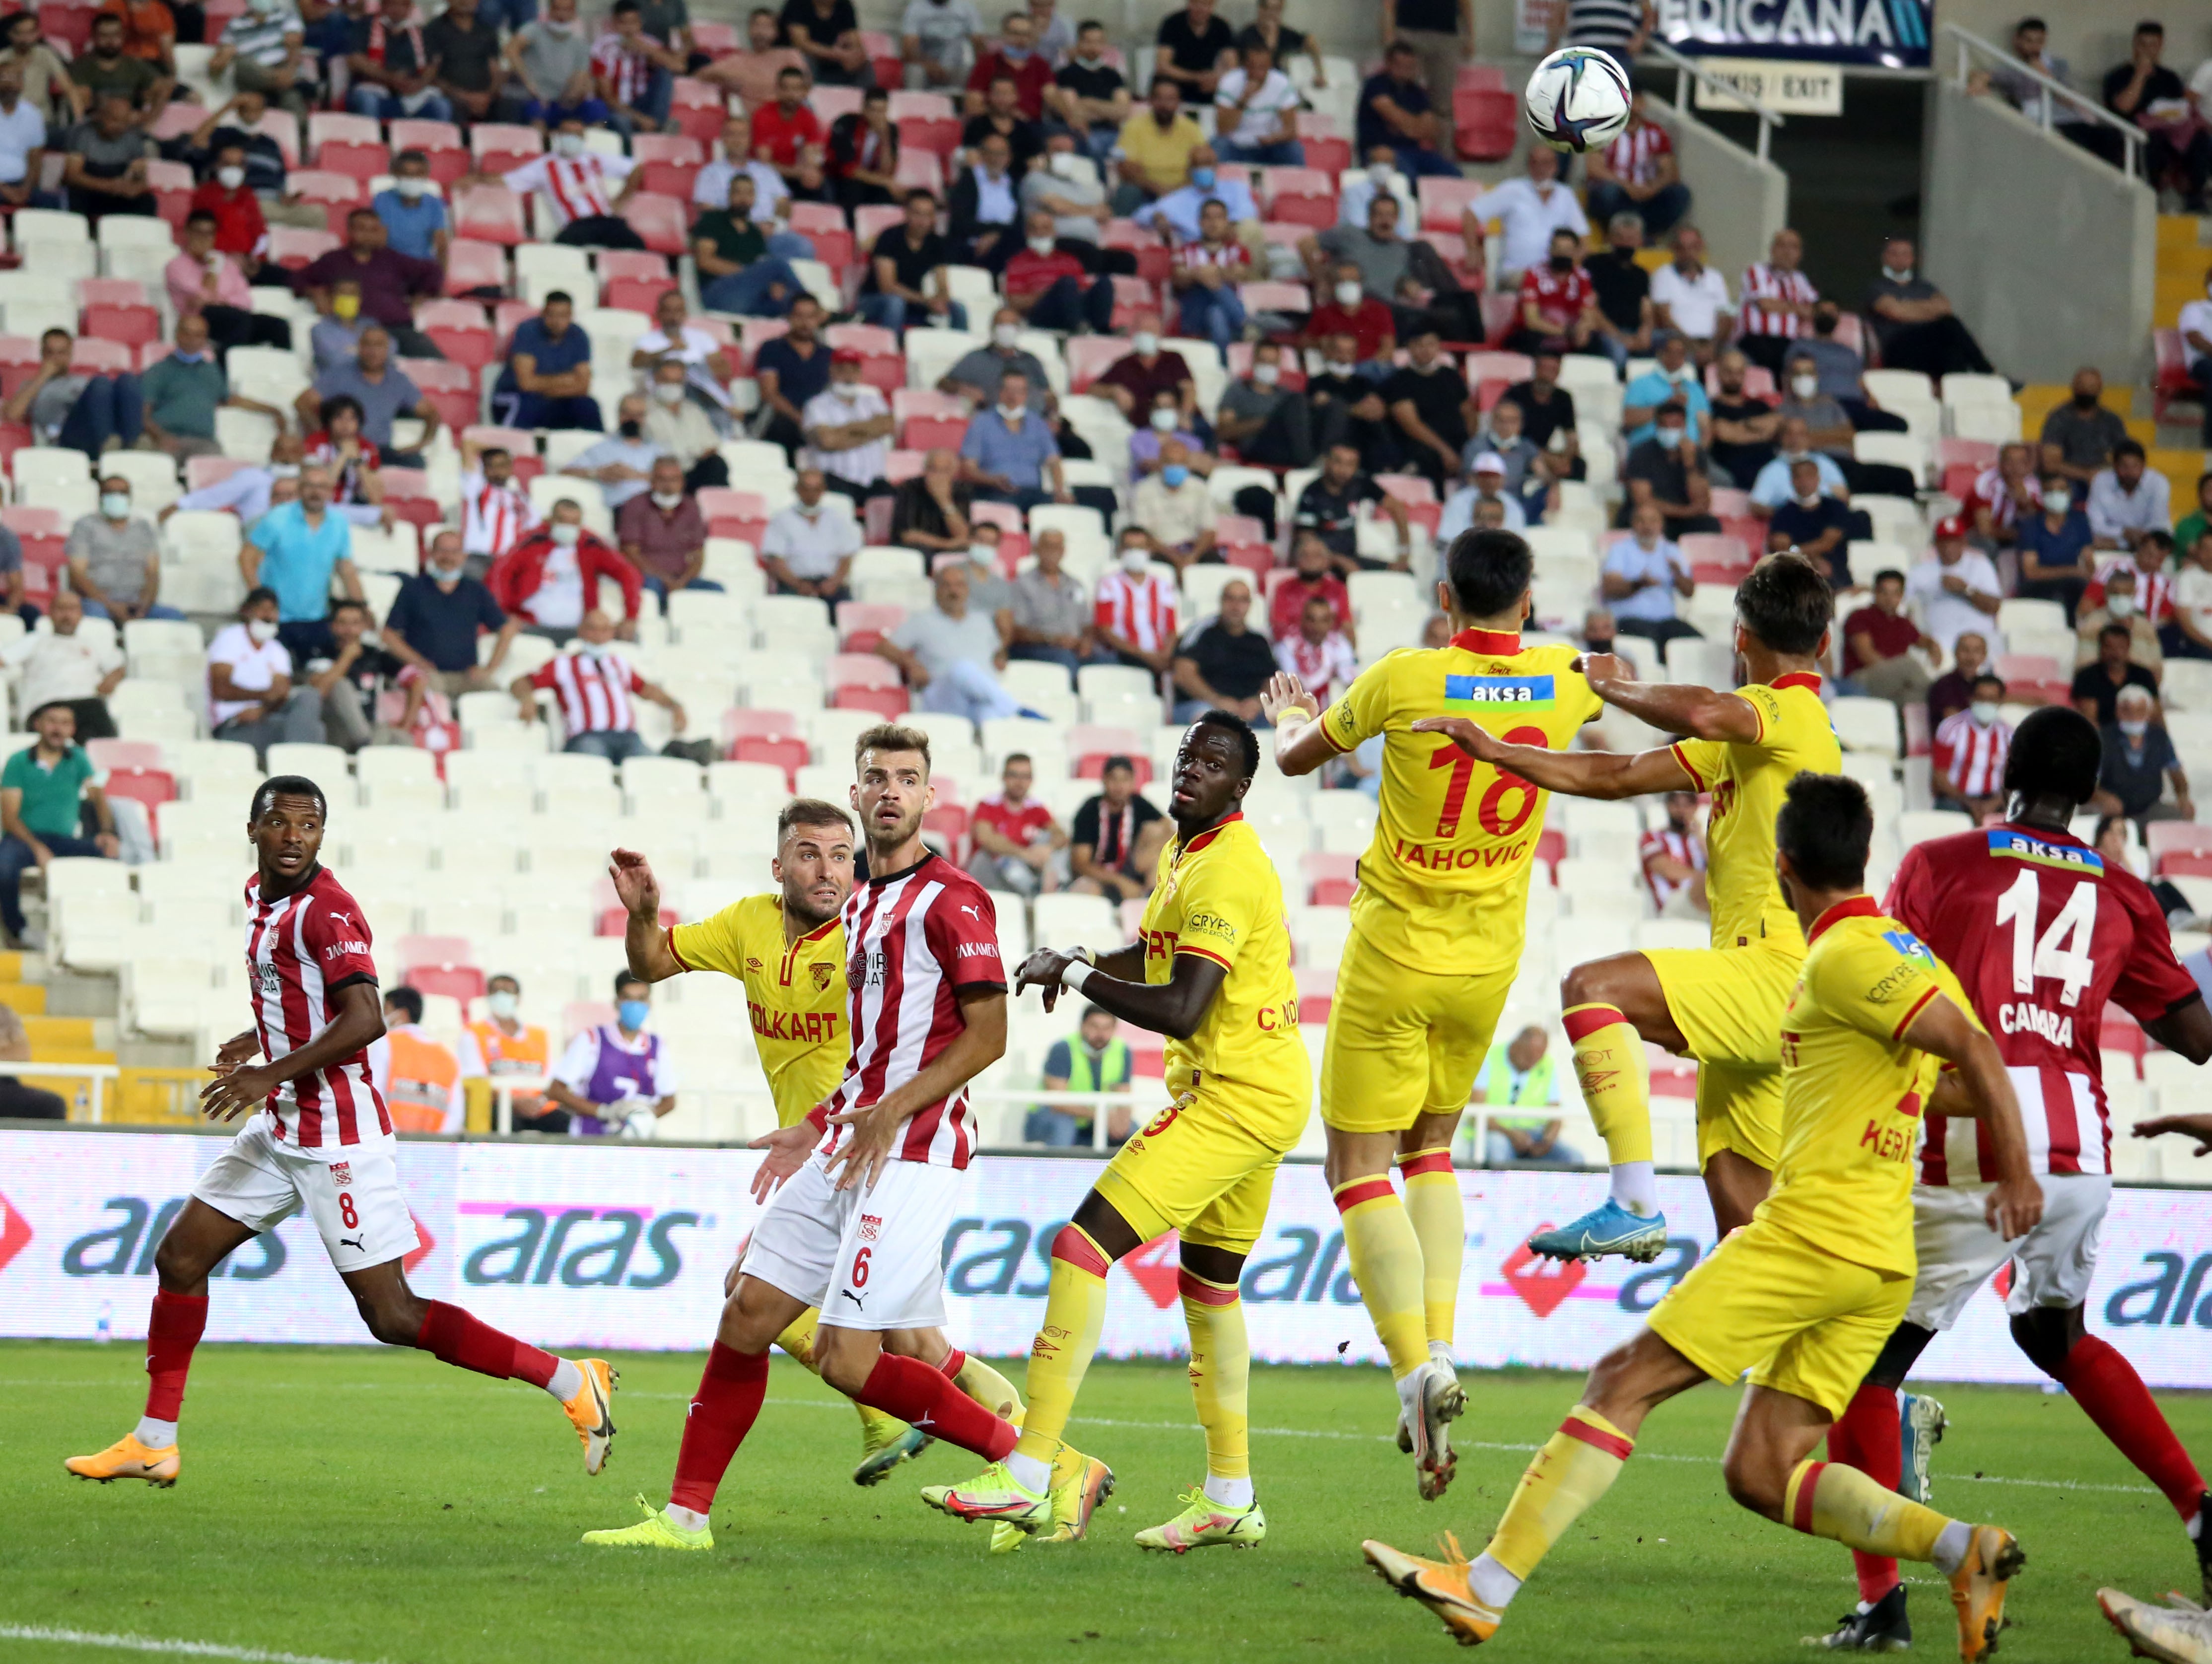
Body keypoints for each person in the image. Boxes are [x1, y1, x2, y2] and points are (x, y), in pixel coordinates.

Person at [1363, 769, 2038, 1662]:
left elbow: (1975, 1052)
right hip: (1878, 1256)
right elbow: (1946, 1075)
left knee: (1622, 1381)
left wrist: (2017, 1172)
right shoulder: (1909, 953)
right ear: (1862, 855)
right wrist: (1895, 1101)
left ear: (1782, 865)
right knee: (1761, 1470)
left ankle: (1483, 1587)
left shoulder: (1843, 955)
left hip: (1812, 1234)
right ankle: (1964, 1550)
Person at [582, 725, 1071, 1553]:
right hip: (844, 1141)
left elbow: (985, 1036)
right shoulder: (847, 911)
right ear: (855, 794)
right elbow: (863, 1053)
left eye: (906, 778)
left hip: (910, 1146)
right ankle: (686, 1519)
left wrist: (881, 1110)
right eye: (874, 776)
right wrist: (812, 1127)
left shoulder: (938, 902)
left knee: (865, 1352)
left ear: (927, 795)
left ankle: (1039, 1468)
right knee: (754, 1310)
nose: (888, 791)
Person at [64, 775, 621, 1492]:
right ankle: (153, 1442)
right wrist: (258, 1038)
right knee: (179, 1260)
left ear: (323, 835)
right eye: (280, 822)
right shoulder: (258, 899)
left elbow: (363, 1018)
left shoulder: (329, 913)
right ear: (254, 829)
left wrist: (270, 1073)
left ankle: (571, 1380)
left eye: (310, 825)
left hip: (338, 1138)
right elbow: (299, 997)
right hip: (282, 1127)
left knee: (391, 1314)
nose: (295, 837)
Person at [1804, 706, 2212, 1650]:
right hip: (2083, 1143)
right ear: (2091, 792)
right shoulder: (2122, 888)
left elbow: (1887, 995)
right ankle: (2201, 1510)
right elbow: (2194, 1038)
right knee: (2052, 1332)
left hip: (1979, 1133)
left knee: (1858, 1358)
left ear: (2005, 771)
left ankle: (1881, 1602)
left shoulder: (1940, 863)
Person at [1260, 529, 1603, 1494]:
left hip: (1394, 951)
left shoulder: (1403, 676)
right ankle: (1443, 1343)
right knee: (1431, 1150)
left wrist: (1290, 710)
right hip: (1487, 959)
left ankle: (1414, 1364)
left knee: (1355, 1164)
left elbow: (1294, 760)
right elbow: (1614, 699)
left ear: (1445, 597)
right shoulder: (1564, 676)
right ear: (1525, 600)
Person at [929, 710, 1304, 1550]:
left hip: (1233, 1095)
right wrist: (1084, 956)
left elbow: (1181, 1007)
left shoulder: (1230, 869)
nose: (1191, 771)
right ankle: (1231, 1496)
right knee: (1207, 1290)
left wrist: (1075, 974)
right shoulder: (1186, 852)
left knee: (1079, 1248)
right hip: (1264, 1089)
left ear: (1241, 787)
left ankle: (1028, 1475)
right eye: (1186, 756)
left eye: (1212, 763)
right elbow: (1160, 959)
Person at [1420, 554, 1843, 1270]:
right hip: (1758, 984)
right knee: (1753, 1246)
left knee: (1593, 990)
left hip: (1775, 972)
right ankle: (1872, 1387)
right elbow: (1616, 775)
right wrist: (1496, 752)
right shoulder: (1748, 742)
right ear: (1825, 641)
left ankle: (1636, 1204)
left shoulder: (1789, 712)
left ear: (1739, 637)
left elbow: (1708, 709)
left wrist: (1610, 684)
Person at [618, 797, 997, 1481]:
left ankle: (1000, 1442)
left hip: (872, 1142)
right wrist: (644, 915)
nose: (828, 872)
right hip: (819, 1149)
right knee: (898, 1333)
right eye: (809, 854)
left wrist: (824, 1126)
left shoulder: (871, 933)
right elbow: (651, 963)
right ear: (780, 865)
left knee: (773, 1299)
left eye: (841, 857)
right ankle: (1007, 1432)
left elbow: (908, 1049)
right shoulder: (748, 925)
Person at [0, 700, 117, 947]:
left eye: (65, 723)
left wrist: (107, 833)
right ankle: (17, 931)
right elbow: (9, 817)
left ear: (72, 729)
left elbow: (98, 796)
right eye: (52, 722)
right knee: (4, 867)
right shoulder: (18, 762)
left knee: (107, 855)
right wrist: (37, 848)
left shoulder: (79, 759)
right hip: (23, 838)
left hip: (63, 841)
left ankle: (93, 931)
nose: (58, 729)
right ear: (38, 725)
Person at [513, 609, 684, 763]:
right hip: (588, 737)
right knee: (593, 769)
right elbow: (520, 683)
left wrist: (675, 706)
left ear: (612, 633)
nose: (598, 635)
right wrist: (527, 699)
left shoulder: (619, 663)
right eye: (592, 629)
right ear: (581, 631)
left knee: (653, 769)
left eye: (605, 630)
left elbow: (646, 690)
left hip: (629, 738)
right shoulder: (563, 664)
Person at [876, 562, 1034, 723]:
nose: (954, 591)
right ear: (937, 590)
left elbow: (997, 652)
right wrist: (910, 663)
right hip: (942, 698)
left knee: (989, 715)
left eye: (959, 585)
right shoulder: (921, 620)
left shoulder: (983, 621)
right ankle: (1019, 711)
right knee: (962, 669)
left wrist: (1001, 656)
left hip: (978, 700)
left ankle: (1013, 719)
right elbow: (883, 648)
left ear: (967, 590)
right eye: (947, 586)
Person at [240, 465, 362, 664]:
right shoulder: (278, 517)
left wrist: (362, 607)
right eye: (310, 486)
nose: (316, 492)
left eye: (322, 487)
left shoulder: (339, 523)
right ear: (300, 489)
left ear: (331, 491)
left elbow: (345, 568)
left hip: (318, 619)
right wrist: (260, 599)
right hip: (279, 618)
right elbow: (247, 557)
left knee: (319, 674)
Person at [382, 531, 516, 696]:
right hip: (427, 674)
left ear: (464, 556)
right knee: (429, 695)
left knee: (496, 696)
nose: (448, 557)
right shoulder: (413, 589)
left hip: (466, 676)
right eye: (442, 551)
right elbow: (389, 635)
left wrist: (489, 668)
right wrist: (417, 661)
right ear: (431, 553)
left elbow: (507, 629)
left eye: (455, 552)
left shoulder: (476, 591)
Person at [296, 211, 444, 361]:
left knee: (438, 365)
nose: (368, 235)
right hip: (352, 331)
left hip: (397, 329)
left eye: (373, 230)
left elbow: (433, 271)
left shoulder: (392, 259)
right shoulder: (333, 260)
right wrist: (316, 294)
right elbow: (297, 279)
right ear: (350, 231)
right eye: (362, 229)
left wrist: (419, 298)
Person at [478, 117, 644, 249]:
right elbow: (507, 180)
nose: (573, 140)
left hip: (607, 221)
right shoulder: (544, 166)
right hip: (577, 225)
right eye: (568, 135)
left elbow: (636, 169)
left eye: (577, 135)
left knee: (637, 248)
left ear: (584, 138)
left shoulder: (595, 159)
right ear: (557, 136)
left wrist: (621, 199)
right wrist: (476, 178)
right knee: (561, 252)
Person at [543, 974, 676, 1138]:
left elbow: (669, 1101)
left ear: (649, 1003)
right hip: (591, 1138)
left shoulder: (657, 1046)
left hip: (638, 1144)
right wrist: (604, 1112)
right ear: (617, 1002)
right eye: (628, 998)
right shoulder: (592, 1039)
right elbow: (556, 1091)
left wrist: (641, 1117)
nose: (635, 1006)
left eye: (641, 999)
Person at [488, 503, 643, 641]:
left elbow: (629, 573)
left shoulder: (590, 544)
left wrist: (631, 617)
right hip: (531, 626)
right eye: (562, 521)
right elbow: (499, 574)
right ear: (551, 520)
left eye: (574, 523)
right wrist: (503, 613)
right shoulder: (531, 541)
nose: (568, 527)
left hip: (581, 630)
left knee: (632, 637)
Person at [206, 588, 324, 760]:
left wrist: (262, 709)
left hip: (266, 717)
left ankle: (296, 770)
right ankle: (298, 773)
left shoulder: (278, 651)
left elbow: (280, 695)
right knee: (315, 731)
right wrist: (263, 696)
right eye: (262, 608)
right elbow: (220, 689)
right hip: (234, 724)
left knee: (310, 697)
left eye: (273, 610)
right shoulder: (231, 638)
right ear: (247, 611)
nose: (268, 615)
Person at [299, 326, 440, 468]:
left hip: (380, 451)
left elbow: (431, 413)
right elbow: (302, 404)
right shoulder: (339, 374)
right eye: (368, 344)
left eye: (379, 345)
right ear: (359, 347)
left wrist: (422, 444)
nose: (373, 351)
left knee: (416, 464)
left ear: (388, 349)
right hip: (343, 448)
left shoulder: (399, 381)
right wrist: (323, 434)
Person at [2106, 19, 2211, 209]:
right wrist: (2140, 75)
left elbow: (2182, 109)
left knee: (2202, 139)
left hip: (2171, 132)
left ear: (2161, 46)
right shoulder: (2119, 75)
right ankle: (2152, 197)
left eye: (2153, 45)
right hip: (2137, 134)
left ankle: (2194, 197)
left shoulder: (2170, 78)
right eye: (2143, 45)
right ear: (2135, 45)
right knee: (2153, 140)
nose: (2147, 50)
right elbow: (2123, 107)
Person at [1865, 236, 1994, 381]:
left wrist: (1907, 307)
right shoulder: (1878, 287)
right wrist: (1929, 310)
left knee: (1952, 350)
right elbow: (1895, 312)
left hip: (1928, 349)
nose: (1900, 259)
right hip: (1898, 348)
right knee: (1949, 325)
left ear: (1912, 258)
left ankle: (1966, 390)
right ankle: (1988, 374)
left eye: (1905, 254)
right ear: (1885, 258)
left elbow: (1945, 309)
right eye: (1894, 254)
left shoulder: (1925, 287)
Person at [167, 209, 291, 358]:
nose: (203, 239)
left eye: (209, 234)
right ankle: (225, 368)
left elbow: (245, 300)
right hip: (198, 319)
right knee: (239, 320)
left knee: (277, 326)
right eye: (198, 233)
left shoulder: (227, 265)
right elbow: (202, 299)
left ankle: (281, 372)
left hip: (234, 315)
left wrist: (222, 300)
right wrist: (212, 268)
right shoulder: (176, 266)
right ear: (187, 233)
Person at [4, 590, 123, 740]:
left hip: (87, 711)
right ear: (51, 613)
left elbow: (118, 667)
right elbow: (4, 659)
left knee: (97, 734)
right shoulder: (35, 641)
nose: (67, 616)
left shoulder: (92, 645)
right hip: (46, 707)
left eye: (73, 610)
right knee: (93, 712)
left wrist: (111, 679)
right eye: (62, 609)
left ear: (81, 615)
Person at [64, 479, 179, 624]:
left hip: (137, 603)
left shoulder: (143, 528)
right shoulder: (84, 526)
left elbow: (152, 573)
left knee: (174, 618)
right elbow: (78, 575)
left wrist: (144, 606)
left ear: (130, 498)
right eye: (110, 492)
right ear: (100, 496)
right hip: (98, 603)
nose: (116, 497)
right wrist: (111, 606)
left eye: (122, 493)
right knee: (96, 618)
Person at [309, 596, 414, 752]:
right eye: (343, 623)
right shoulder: (322, 652)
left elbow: (418, 679)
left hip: (370, 726)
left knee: (401, 738)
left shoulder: (373, 654)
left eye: (355, 623)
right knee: (340, 685)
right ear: (333, 626)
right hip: (335, 728)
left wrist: (406, 722)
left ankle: (371, 747)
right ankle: (368, 743)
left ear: (364, 626)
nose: (349, 630)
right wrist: (346, 658)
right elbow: (318, 692)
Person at [1471, 146, 1588, 283]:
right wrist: (1472, 249)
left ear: (1555, 165)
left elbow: (1583, 239)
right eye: (1535, 163)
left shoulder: (1566, 195)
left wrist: (1570, 270)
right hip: (1518, 273)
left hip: (1555, 275)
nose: (1540, 168)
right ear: (1528, 165)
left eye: (1545, 163)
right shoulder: (1512, 190)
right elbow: (1471, 213)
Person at [958, 368, 1069, 510]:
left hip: (1033, 492)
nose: (1013, 396)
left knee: (1062, 510)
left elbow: (1054, 462)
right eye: (1008, 390)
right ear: (1000, 392)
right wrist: (992, 480)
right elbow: (968, 468)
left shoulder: (1038, 424)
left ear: (1026, 394)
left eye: (1019, 391)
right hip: (994, 491)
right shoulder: (981, 422)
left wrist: (1059, 490)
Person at [458, 973, 555, 1134]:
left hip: (538, 1107)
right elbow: (476, 1080)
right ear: (488, 997)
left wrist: (537, 1102)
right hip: (498, 1106)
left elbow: (550, 1078)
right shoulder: (474, 1034)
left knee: (564, 1122)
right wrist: (513, 1103)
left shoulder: (540, 1036)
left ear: (518, 999)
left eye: (507, 992)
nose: (501, 997)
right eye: (496, 992)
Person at [1293, 443, 1413, 572]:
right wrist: (1338, 560)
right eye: (1338, 462)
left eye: (1351, 464)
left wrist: (1404, 553)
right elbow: (1305, 541)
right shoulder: (1311, 493)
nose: (1344, 470)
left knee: (1405, 573)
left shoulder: (1359, 484)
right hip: (1323, 565)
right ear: (1327, 462)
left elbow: (1397, 508)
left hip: (1352, 559)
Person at [1468, 1026, 1577, 1169]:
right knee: (1498, 1149)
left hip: (1533, 1136)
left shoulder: (1547, 1065)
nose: (1533, 1064)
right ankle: (1501, 1191)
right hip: (1495, 1132)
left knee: (1574, 1158)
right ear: (1516, 1046)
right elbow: (1476, 1112)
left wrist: (1548, 1141)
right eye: (1529, 1057)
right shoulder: (1489, 1059)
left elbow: (1556, 1114)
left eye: (1538, 1059)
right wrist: (1511, 1134)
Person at [1024, 1003, 1131, 1147]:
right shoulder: (1063, 1049)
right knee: (1064, 1127)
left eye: (1107, 1028)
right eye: (1095, 1026)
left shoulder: (1122, 1050)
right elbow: (1057, 1101)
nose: (1101, 1034)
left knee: (1137, 1134)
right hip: (1049, 1117)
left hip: (1094, 1119)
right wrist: (1101, 1116)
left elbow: (1124, 1096)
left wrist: (1122, 1122)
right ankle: (1058, 1169)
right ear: (1083, 1025)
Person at [489, 291, 598, 432]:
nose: (557, 321)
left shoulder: (579, 336)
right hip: (514, 397)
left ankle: (599, 450)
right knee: (527, 404)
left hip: (553, 400)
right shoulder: (527, 331)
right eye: (551, 315)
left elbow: (583, 386)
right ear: (543, 313)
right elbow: (526, 384)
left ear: (571, 316)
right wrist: (567, 380)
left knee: (588, 405)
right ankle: (516, 448)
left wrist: (546, 388)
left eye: (563, 316)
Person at [858, 189, 964, 334]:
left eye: (928, 215)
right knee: (895, 303)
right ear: (907, 213)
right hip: (873, 300)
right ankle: (891, 349)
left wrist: (941, 299)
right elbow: (887, 286)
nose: (923, 221)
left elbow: (943, 283)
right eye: (917, 214)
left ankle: (961, 350)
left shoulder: (937, 243)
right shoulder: (889, 237)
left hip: (914, 301)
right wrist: (926, 301)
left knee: (958, 308)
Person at [363, 986, 464, 1135]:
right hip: (436, 1149)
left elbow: (374, 1095)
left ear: (402, 1014)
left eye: (386, 1010)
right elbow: (456, 1114)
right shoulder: (448, 1055)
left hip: (394, 1142)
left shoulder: (387, 1043)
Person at [1382, 326, 1473, 492]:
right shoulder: (1399, 381)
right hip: (1425, 446)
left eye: (1430, 344)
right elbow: (1411, 424)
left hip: (1459, 443)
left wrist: (1470, 447)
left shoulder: (1451, 375)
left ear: (1438, 347)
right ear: (1409, 348)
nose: (1425, 350)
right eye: (1419, 345)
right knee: (1426, 458)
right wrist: (1446, 452)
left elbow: (1469, 412)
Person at [1170, 579, 1273, 724]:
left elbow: (1272, 680)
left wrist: (1257, 702)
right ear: (1221, 601)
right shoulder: (1201, 631)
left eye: (1243, 600)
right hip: (1202, 705)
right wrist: (1217, 701)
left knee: (1282, 723)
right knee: (1209, 720)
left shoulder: (1259, 641)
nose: (1236, 607)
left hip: (1249, 712)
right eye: (1231, 599)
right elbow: (1183, 674)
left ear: (1250, 605)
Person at [800, 349, 895, 503]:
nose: (848, 376)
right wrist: (871, 431)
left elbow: (888, 426)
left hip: (875, 481)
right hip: (836, 479)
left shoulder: (873, 400)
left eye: (853, 370)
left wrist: (841, 432)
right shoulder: (817, 405)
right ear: (832, 371)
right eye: (842, 370)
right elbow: (828, 441)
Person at [1067, 753, 1166, 901]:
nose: (1119, 786)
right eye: (1114, 779)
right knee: (1087, 889)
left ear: (1133, 782)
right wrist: (1120, 882)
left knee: (1157, 842)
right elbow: (1080, 863)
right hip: (1099, 877)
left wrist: (1148, 850)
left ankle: (1150, 904)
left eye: (1125, 779)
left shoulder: (1139, 804)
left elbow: (1168, 828)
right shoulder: (1090, 809)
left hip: (1132, 871)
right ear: (1104, 780)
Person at [968, 751, 1067, 897]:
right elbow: (986, 839)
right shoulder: (988, 805)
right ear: (1004, 777)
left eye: (1025, 777)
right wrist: (1024, 854)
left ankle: (1052, 890)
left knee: (1054, 844)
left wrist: (1048, 849)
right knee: (991, 855)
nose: (1020, 782)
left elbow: (1061, 835)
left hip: (1025, 871)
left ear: (1032, 780)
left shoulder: (1037, 808)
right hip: (991, 874)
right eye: (1014, 775)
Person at [614, 457, 713, 601]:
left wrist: (682, 582)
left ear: (683, 482)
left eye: (674, 480)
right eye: (662, 480)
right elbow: (630, 553)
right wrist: (667, 580)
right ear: (652, 482)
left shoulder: (692, 507)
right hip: (648, 578)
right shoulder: (635, 505)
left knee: (716, 590)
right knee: (652, 587)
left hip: (683, 579)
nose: (668, 486)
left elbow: (698, 553)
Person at [1357, 38, 1456, 180]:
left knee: (1451, 173)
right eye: (1401, 66)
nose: (1406, 71)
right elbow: (1397, 118)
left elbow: (1432, 130)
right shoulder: (1376, 86)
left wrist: (1408, 126)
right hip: (1380, 150)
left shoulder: (1416, 92)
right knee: (1407, 175)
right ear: (1389, 63)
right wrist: (1414, 125)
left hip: (1413, 151)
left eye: (1410, 67)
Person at [1838, 568, 1939, 707]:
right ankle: (1941, 694)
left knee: (1917, 697)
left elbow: (1923, 641)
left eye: (1895, 594)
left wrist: (1934, 646)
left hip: (1893, 685)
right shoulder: (1860, 616)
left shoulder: (1903, 623)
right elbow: (1866, 655)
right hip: (1862, 680)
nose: (1889, 599)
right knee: (1908, 665)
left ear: (1902, 596)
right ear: (1875, 593)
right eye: (1884, 592)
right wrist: (1896, 671)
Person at [1601, 502, 1697, 647]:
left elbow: (1689, 592)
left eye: (1653, 521)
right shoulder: (1620, 550)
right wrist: (1638, 584)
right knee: (1651, 641)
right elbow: (1610, 589)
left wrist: (1678, 575)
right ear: (1633, 524)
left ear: (1661, 525)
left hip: (1667, 622)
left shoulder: (1672, 551)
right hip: (1630, 620)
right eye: (1641, 521)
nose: (1647, 526)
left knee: (1694, 641)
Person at [1904, 516, 2003, 656]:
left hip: (1980, 642)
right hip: (1938, 643)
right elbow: (1903, 609)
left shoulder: (1981, 565)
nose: (1949, 548)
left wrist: (1966, 590)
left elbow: (1994, 607)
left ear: (1964, 543)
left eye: (1954, 542)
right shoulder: (1920, 571)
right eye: (1944, 542)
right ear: (1936, 544)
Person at [2095, 684, 2192, 826]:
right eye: (2127, 711)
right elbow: (2088, 782)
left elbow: (2176, 772)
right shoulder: (2103, 739)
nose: (2133, 717)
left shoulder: (2159, 737)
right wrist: (2102, 798)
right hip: (2114, 810)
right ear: (2118, 711)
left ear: (2149, 713)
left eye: (2139, 711)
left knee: (2180, 817)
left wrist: (2183, 797)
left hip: (2150, 807)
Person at [1008, 528, 1101, 675]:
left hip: (1075, 648)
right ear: (1037, 549)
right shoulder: (1022, 584)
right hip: (1039, 648)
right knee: (1066, 660)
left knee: (1107, 661)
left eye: (1057, 547)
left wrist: (1086, 642)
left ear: (1064, 551)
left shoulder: (1075, 585)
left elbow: (1087, 624)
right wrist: (1052, 640)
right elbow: (1017, 631)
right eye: (1047, 546)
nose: (1052, 552)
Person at [1621, 400, 1720, 537]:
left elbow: (1703, 502)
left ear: (1684, 426)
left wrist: (1690, 465)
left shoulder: (1696, 453)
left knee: (1710, 525)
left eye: (1675, 425)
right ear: (1657, 426)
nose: (1669, 430)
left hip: (1684, 517)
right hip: (1651, 516)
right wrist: (1685, 512)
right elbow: (1643, 501)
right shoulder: (1642, 453)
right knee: (1649, 524)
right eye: (1664, 425)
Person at [760, 469, 860, 603]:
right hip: (794, 585)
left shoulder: (837, 519)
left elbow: (846, 557)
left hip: (830, 585)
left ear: (823, 490)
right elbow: (776, 561)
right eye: (807, 489)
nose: (811, 495)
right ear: (797, 489)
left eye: (816, 489)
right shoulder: (781, 519)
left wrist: (834, 583)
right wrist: (798, 584)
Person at [1109, 74, 1204, 215]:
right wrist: (1159, 190)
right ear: (1151, 101)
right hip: (1145, 191)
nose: (1165, 105)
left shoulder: (1192, 129)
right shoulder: (1134, 127)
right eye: (1159, 99)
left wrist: (1178, 190)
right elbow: (1127, 168)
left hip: (1183, 191)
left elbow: (1203, 164)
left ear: (1179, 102)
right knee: (1127, 192)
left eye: (1170, 100)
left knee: (1207, 189)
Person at [506, 0, 611, 127]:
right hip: (536, 98)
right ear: (550, 11)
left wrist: (570, 98)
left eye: (567, 10)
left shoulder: (580, 43)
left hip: (565, 100)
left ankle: (591, 145)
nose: (561, 15)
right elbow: (511, 50)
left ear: (574, 13)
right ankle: (542, 145)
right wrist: (530, 85)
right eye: (558, 9)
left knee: (598, 108)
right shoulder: (533, 30)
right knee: (536, 111)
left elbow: (581, 75)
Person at [752, 294, 831, 457]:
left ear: (818, 319)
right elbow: (770, 393)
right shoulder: (772, 349)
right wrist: (801, 419)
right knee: (783, 428)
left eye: (811, 317)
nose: (805, 323)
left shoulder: (828, 354)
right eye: (799, 316)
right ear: (789, 317)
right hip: (783, 417)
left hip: (819, 420)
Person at [563, 395, 667, 520]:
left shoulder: (658, 451)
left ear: (645, 418)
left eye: (638, 415)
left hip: (657, 508)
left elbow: (674, 479)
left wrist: (635, 475)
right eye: (627, 414)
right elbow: (566, 471)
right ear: (619, 415)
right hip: (622, 509)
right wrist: (599, 473)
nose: (632, 419)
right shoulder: (602, 448)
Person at [592, 0, 684, 137]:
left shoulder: (649, 43)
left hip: (642, 105)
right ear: (615, 24)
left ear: (640, 23)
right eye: (624, 23)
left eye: (634, 23)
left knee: (665, 74)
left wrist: (645, 49)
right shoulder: (602, 48)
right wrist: (639, 119)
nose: (629, 29)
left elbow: (679, 68)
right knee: (620, 122)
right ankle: (652, 134)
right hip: (615, 110)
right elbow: (608, 97)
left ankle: (657, 124)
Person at [1092, 539, 1179, 679]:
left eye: (1139, 548)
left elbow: (1171, 629)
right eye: (1130, 548)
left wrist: (1165, 655)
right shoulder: (1108, 584)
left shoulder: (1163, 586)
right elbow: (1105, 630)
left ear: (1149, 551)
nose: (1135, 553)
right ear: (1121, 551)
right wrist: (1144, 655)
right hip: (1124, 654)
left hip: (1159, 655)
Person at [1647, 223, 1732, 365]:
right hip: (1677, 339)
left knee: (1737, 360)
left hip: (1711, 342)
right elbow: (1664, 318)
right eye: (1682, 248)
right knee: (1678, 350)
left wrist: (1712, 347)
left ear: (1701, 248)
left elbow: (1725, 318)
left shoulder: (1715, 277)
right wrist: (1693, 346)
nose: (1688, 253)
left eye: (1694, 247)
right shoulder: (1663, 275)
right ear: (1674, 249)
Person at [1506, 226, 1598, 356]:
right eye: (1558, 249)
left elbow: (1589, 316)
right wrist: (1566, 332)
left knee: (1596, 341)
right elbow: (1532, 321)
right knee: (1530, 338)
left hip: (1570, 334)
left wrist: (1581, 331)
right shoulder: (1534, 275)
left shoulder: (1582, 278)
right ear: (1550, 249)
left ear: (1576, 252)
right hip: (1537, 335)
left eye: (1567, 250)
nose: (1562, 254)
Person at [1930, 672, 2011, 820]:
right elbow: (1940, 776)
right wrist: (1969, 803)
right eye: (1981, 698)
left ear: (2001, 701)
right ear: (1971, 698)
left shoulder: (2008, 734)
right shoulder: (1950, 728)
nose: (1986, 704)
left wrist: (1994, 803)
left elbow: (2013, 778)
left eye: (1991, 699)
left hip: (1993, 800)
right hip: (1955, 799)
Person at [1765, 455, 1854, 587]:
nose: (1804, 481)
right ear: (1792, 481)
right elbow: (1780, 546)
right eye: (1798, 477)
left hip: (1835, 576)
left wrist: (1795, 551)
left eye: (1809, 476)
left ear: (1818, 479)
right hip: (1795, 574)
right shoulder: (1784, 512)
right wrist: (1813, 560)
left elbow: (1827, 543)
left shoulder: (1835, 507)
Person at [1210, 38, 1300, 166]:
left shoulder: (1282, 83)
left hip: (1271, 145)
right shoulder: (1230, 82)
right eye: (1252, 66)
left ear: (1270, 66)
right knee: (1218, 145)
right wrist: (1243, 101)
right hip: (1236, 144)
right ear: (1245, 65)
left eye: (1263, 67)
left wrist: (1274, 138)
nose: (1257, 72)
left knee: (1294, 149)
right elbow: (1223, 129)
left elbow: (1291, 130)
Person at [1130, 438, 1216, 571]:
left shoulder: (1200, 488)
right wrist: (1175, 559)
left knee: (1215, 562)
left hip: (1192, 549)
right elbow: (1143, 534)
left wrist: (1192, 557)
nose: (1175, 467)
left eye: (1180, 463)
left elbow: (1209, 530)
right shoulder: (1143, 490)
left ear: (1187, 465)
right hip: (1159, 550)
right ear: (1160, 463)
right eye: (1170, 462)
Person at [1047, 20, 1128, 159]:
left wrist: (1088, 104)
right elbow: (1074, 112)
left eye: (1099, 42)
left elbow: (1123, 111)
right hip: (1083, 134)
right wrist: (1108, 110)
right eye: (1089, 42)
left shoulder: (1113, 75)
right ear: (1079, 43)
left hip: (1113, 132)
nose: (1094, 47)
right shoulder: (1067, 74)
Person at [2037, 366, 2127, 486]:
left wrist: (2100, 476)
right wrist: (2086, 475)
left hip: (2104, 480)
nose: (2087, 391)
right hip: (2068, 481)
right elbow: (2050, 464)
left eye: (2092, 387)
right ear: (2073, 387)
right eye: (2082, 386)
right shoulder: (2058, 419)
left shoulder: (2112, 421)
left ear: (2100, 389)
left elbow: (2124, 458)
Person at [421, 0, 503, 130]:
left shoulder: (487, 29)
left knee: (509, 107)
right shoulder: (434, 29)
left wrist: (488, 96)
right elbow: (431, 74)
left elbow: (495, 69)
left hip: (486, 99)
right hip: (451, 96)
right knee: (448, 107)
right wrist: (464, 97)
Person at [2076, 562, 2164, 676]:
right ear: (2106, 593)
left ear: (2135, 594)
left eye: (2126, 594)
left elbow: (2156, 669)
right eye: (2116, 593)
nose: (2121, 598)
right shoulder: (2092, 623)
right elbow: (2083, 666)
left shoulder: (2146, 628)